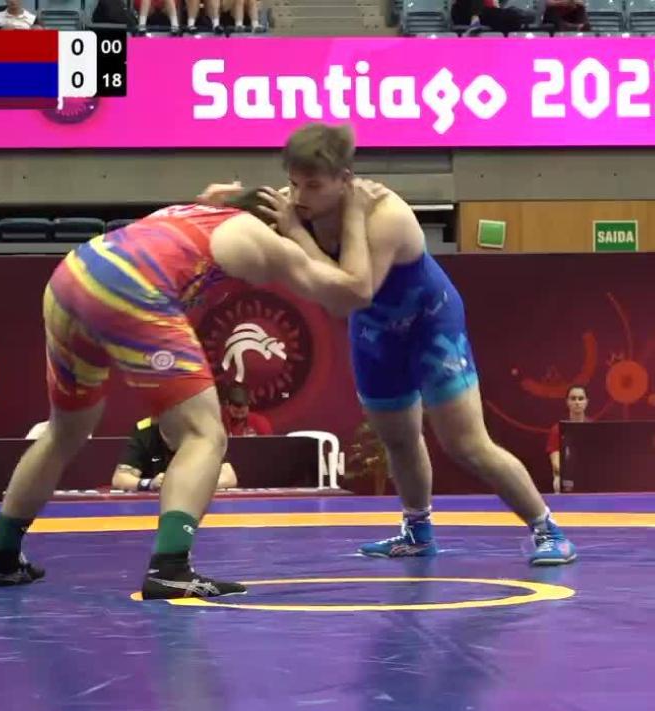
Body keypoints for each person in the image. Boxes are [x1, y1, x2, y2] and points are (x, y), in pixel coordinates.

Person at [0, 182, 383, 599]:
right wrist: (340, 217)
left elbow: (203, 221)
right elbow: (353, 293)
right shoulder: (260, 236)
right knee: (204, 435)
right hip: (130, 287)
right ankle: (170, 568)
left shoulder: (187, 213)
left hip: (71, 276)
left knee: (65, 431)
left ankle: (1, 559)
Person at [199, 123, 575, 566]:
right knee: (398, 440)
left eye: (313, 186)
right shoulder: (296, 204)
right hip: (375, 333)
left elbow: (352, 294)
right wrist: (220, 203)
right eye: (295, 183)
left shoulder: (385, 215)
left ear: (345, 179)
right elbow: (235, 218)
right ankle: (417, 530)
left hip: (430, 325)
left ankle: (547, 529)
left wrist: (298, 234)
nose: (299, 196)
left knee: (467, 444)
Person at [110, 417, 239, 492]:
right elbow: (120, 478)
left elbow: (228, 477)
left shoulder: (201, 431)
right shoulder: (145, 432)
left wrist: (191, 484)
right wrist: (150, 484)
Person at [546, 385, 590, 494]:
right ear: (567, 402)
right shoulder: (557, 429)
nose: (577, 402)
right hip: (567, 478)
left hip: (590, 475)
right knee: (558, 482)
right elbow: (556, 464)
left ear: (586, 402)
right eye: (573, 398)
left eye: (581, 398)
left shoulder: (594, 428)